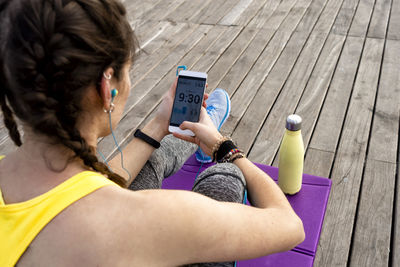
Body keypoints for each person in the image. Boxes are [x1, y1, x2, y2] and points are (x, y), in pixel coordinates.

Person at [0, 0, 304, 266]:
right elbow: (289, 226)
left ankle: (187, 134)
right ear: (108, 87)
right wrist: (226, 149)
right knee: (225, 180)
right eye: (128, 70)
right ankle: (211, 139)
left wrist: (159, 124)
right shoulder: (145, 220)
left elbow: (80, 191)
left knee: (149, 159)